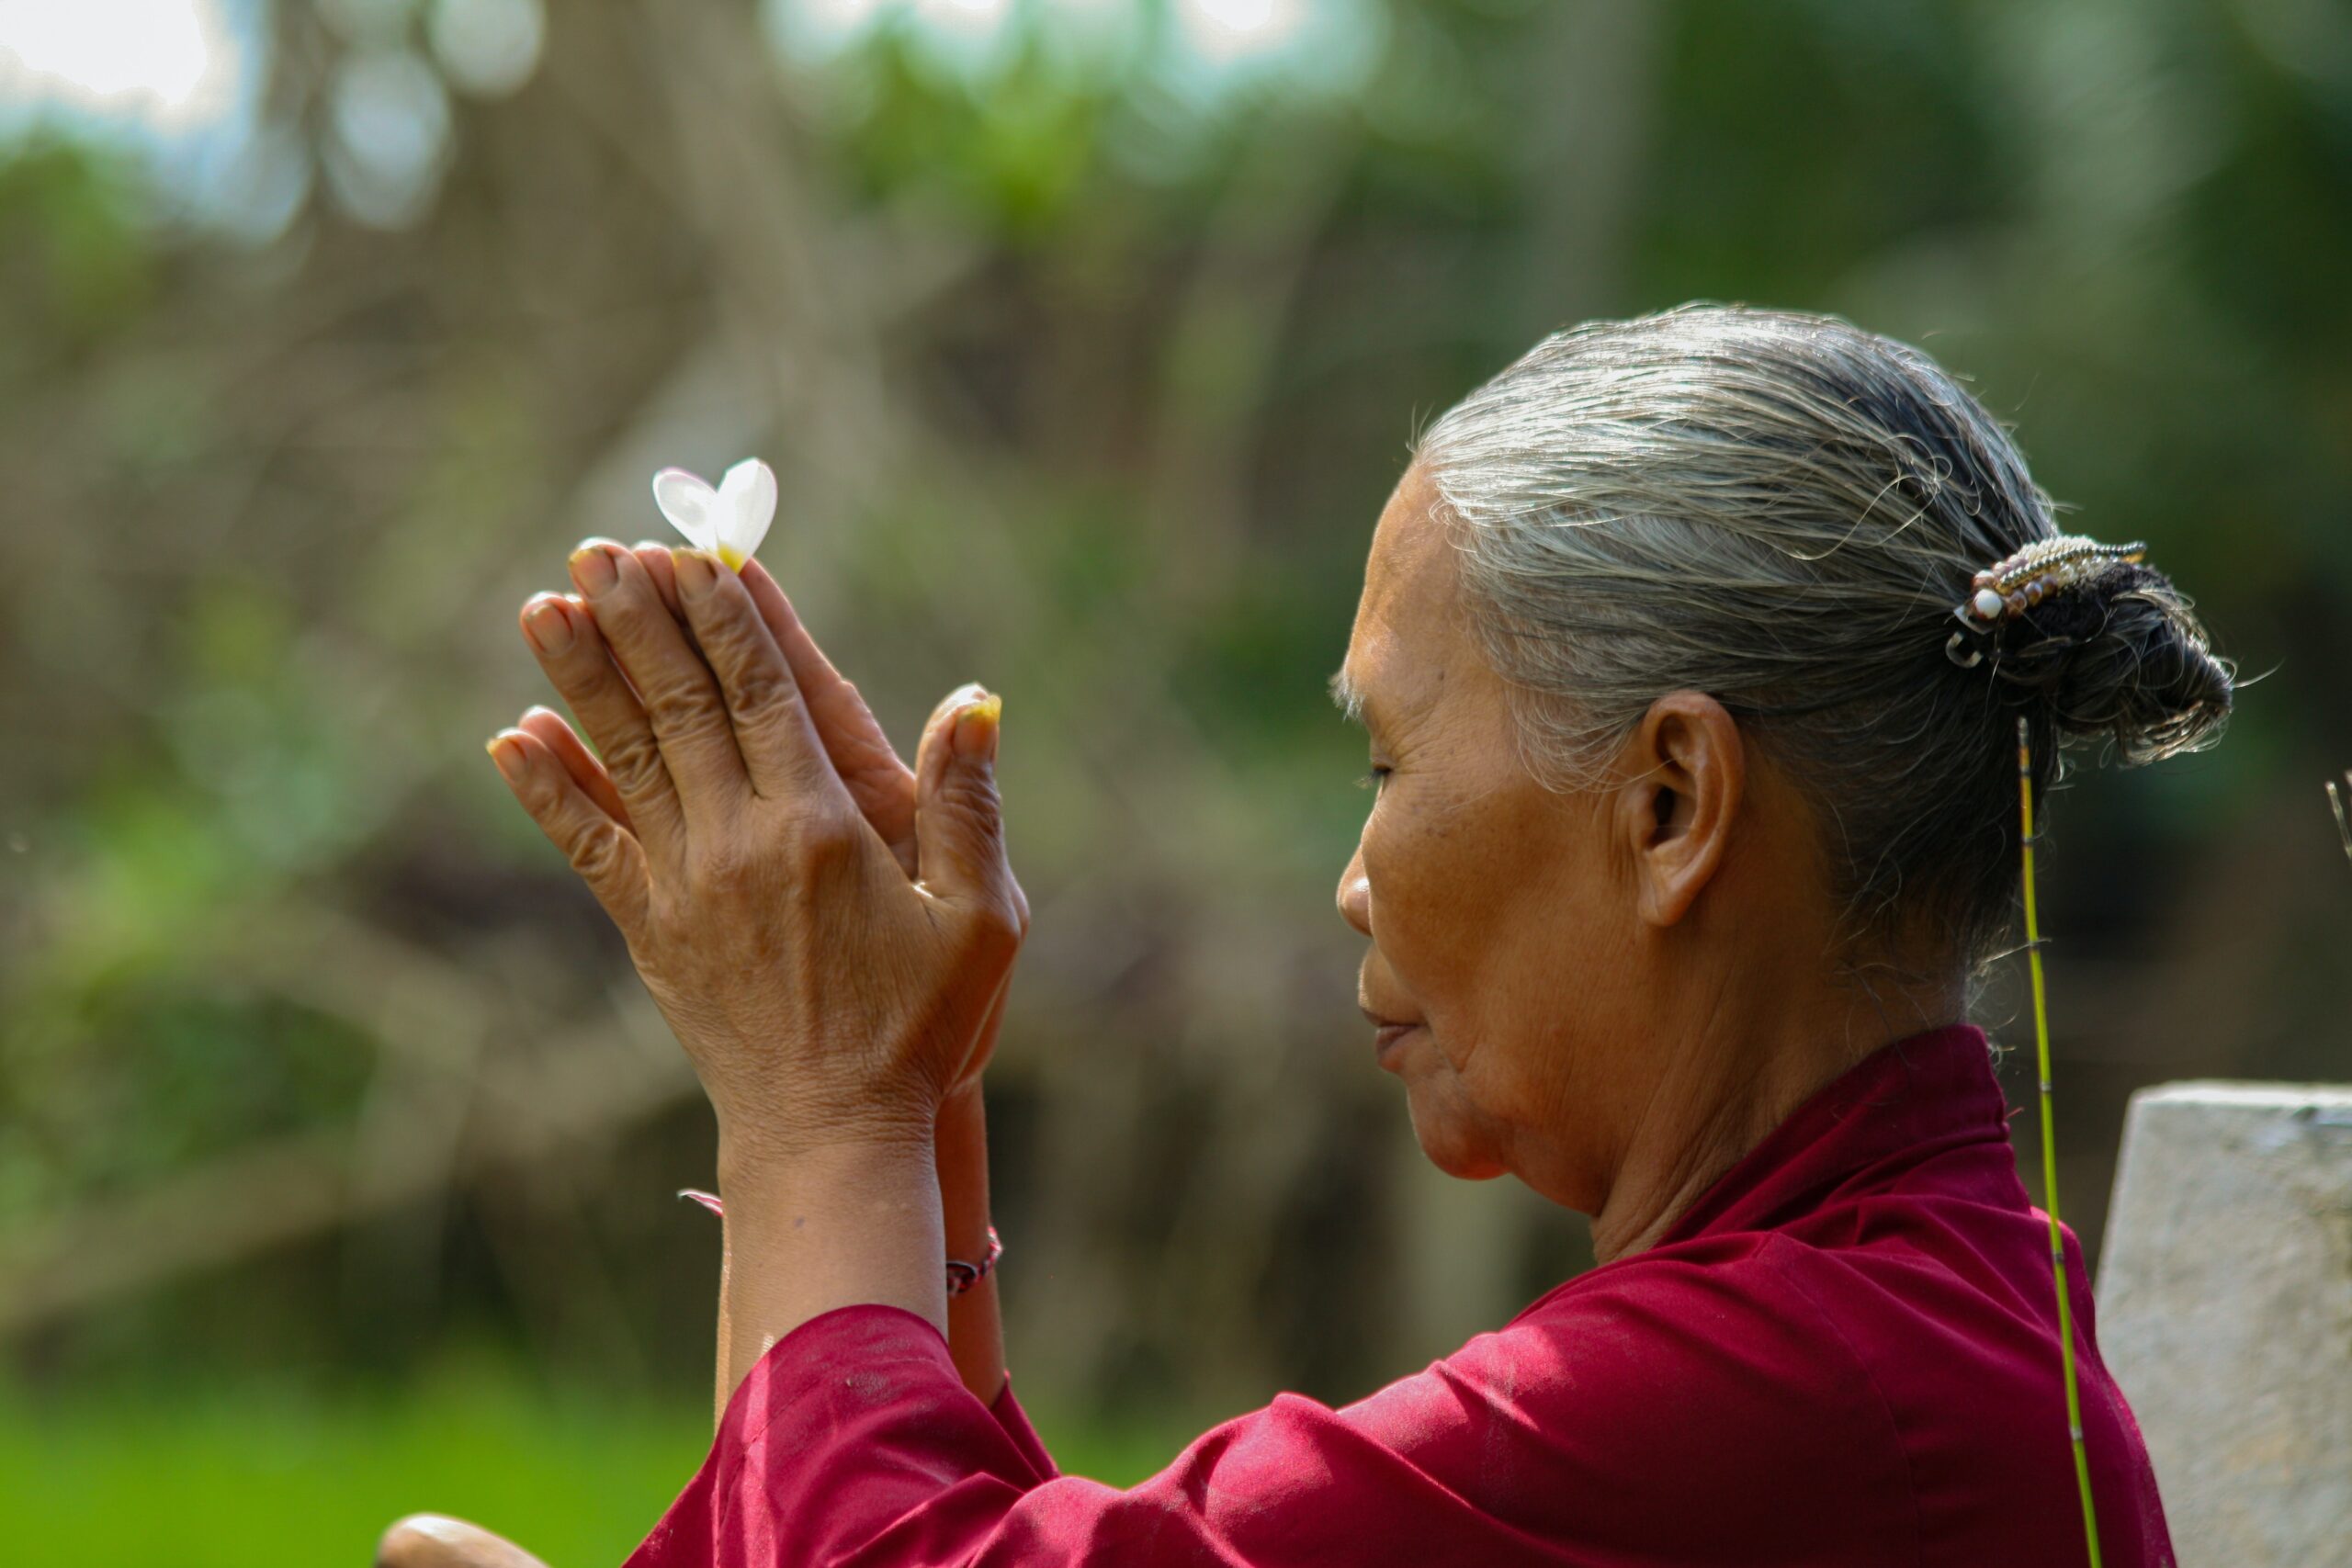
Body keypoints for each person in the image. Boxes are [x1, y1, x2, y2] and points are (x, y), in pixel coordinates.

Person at [386, 304, 2232, 1567]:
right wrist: (912, 1105)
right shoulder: (1893, 1333)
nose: (1352, 875)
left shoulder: (1793, 1391)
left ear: (1668, 802)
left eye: (1386, 754)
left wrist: (821, 1103)